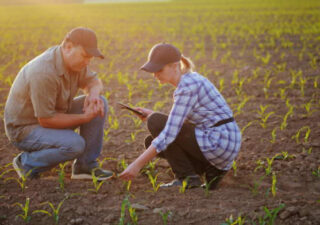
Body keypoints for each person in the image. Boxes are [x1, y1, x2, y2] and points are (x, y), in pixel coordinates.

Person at [119, 43, 241, 189]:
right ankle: (210, 170)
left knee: (156, 123)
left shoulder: (186, 87)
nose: (155, 74)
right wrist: (151, 114)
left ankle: (187, 178)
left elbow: (170, 133)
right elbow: (184, 121)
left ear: (175, 66)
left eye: (159, 69)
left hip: (218, 142)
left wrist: (135, 165)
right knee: (151, 138)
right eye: (153, 70)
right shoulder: (192, 79)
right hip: (224, 144)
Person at [4, 27, 113, 180]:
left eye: (90, 58)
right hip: (25, 129)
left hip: (53, 115)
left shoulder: (75, 63)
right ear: (68, 47)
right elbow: (46, 120)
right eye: (84, 56)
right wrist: (84, 118)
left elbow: (93, 81)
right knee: (75, 145)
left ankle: (85, 166)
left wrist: (93, 95)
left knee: (100, 102)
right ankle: (27, 163)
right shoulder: (43, 72)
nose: (87, 62)